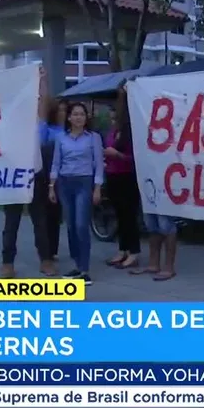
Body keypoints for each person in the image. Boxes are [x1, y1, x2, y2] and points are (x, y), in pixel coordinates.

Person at [0, 95, 58, 279]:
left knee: (40, 222)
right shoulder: (6, 129)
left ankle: (46, 260)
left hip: (36, 176)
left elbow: (44, 105)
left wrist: (41, 81)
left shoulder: (36, 124)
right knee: (11, 223)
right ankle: (7, 263)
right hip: (13, 179)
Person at [49, 101, 104, 285]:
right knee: (71, 225)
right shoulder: (61, 138)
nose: (79, 117)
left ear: (86, 118)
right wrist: (51, 186)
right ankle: (77, 264)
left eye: (82, 114)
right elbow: (56, 163)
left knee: (81, 225)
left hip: (84, 183)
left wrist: (97, 188)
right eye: (75, 114)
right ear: (70, 118)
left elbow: (98, 165)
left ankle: (85, 270)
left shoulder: (93, 138)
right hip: (65, 183)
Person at [104, 85, 141, 269]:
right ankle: (123, 249)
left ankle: (134, 251)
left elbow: (136, 158)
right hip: (112, 177)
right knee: (119, 215)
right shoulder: (112, 133)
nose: (112, 119)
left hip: (127, 177)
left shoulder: (130, 132)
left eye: (115, 115)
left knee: (129, 215)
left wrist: (117, 155)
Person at [44, 102, 68, 261]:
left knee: (56, 214)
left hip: (64, 177)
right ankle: (46, 250)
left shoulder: (69, 132)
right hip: (47, 175)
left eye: (65, 110)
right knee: (46, 214)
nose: (63, 113)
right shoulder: (48, 130)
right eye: (60, 110)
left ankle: (53, 249)